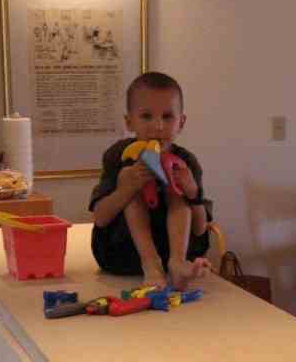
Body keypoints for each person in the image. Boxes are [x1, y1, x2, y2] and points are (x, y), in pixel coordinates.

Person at [89, 72, 212, 289]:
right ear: (129, 122)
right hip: (122, 251)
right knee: (130, 182)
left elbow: (200, 228)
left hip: (176, 250)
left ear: (181, 122)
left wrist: (192, 192)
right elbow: (100, 218)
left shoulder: (186, 161)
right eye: (146, 116)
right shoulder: (118, 155)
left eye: (167, 116)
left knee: (178, 191)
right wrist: (125, 190)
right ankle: (150, 263)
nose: (158, 126)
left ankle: (177, 263)